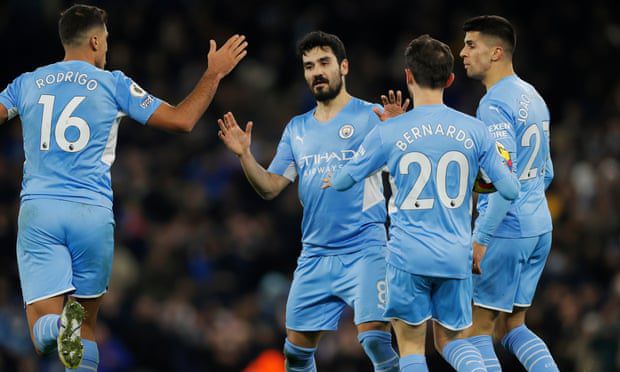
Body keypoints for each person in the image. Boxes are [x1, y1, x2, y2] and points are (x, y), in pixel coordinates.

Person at [0, 4, 247, 370]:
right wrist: (213, 74)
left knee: (43, 332)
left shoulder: (27, 82)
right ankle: (71, 327)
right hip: (92, 215)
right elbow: (182, 120)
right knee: (85, 327)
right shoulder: (113, 83)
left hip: (41, 213)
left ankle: (57, 325)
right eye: (107, 42)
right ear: (96, 40)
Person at [323, 34, 520, 372]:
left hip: (407, 257)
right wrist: (481, 236)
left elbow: (345, 180)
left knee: (411, 345)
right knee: (452, 342)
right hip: (456, 255)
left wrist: (333, 178)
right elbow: (510, 189)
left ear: (408, 77)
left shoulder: (390, 131)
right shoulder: (475, 131)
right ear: (450, 79)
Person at [217, 31, 407, 372]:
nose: (316, 72)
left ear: (343, 66)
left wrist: (397, 134)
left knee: (376, 341)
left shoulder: (371, 116)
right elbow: (271, 187)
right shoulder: (297, 129)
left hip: (365, 248)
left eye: (324, 63)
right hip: (316, 254)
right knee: (295, 354)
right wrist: (245, 155)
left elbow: (406, 170)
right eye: (308, 66)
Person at [459, 15, 558, 372]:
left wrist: (482, 237)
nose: (463, 52)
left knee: (474, 332)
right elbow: (547, 171)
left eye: (471, 44)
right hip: (538, 225)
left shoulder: (493, 105)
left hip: (506, 229)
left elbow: (506, 181)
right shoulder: (533, 96)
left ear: (496, 52)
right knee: (512, 326)